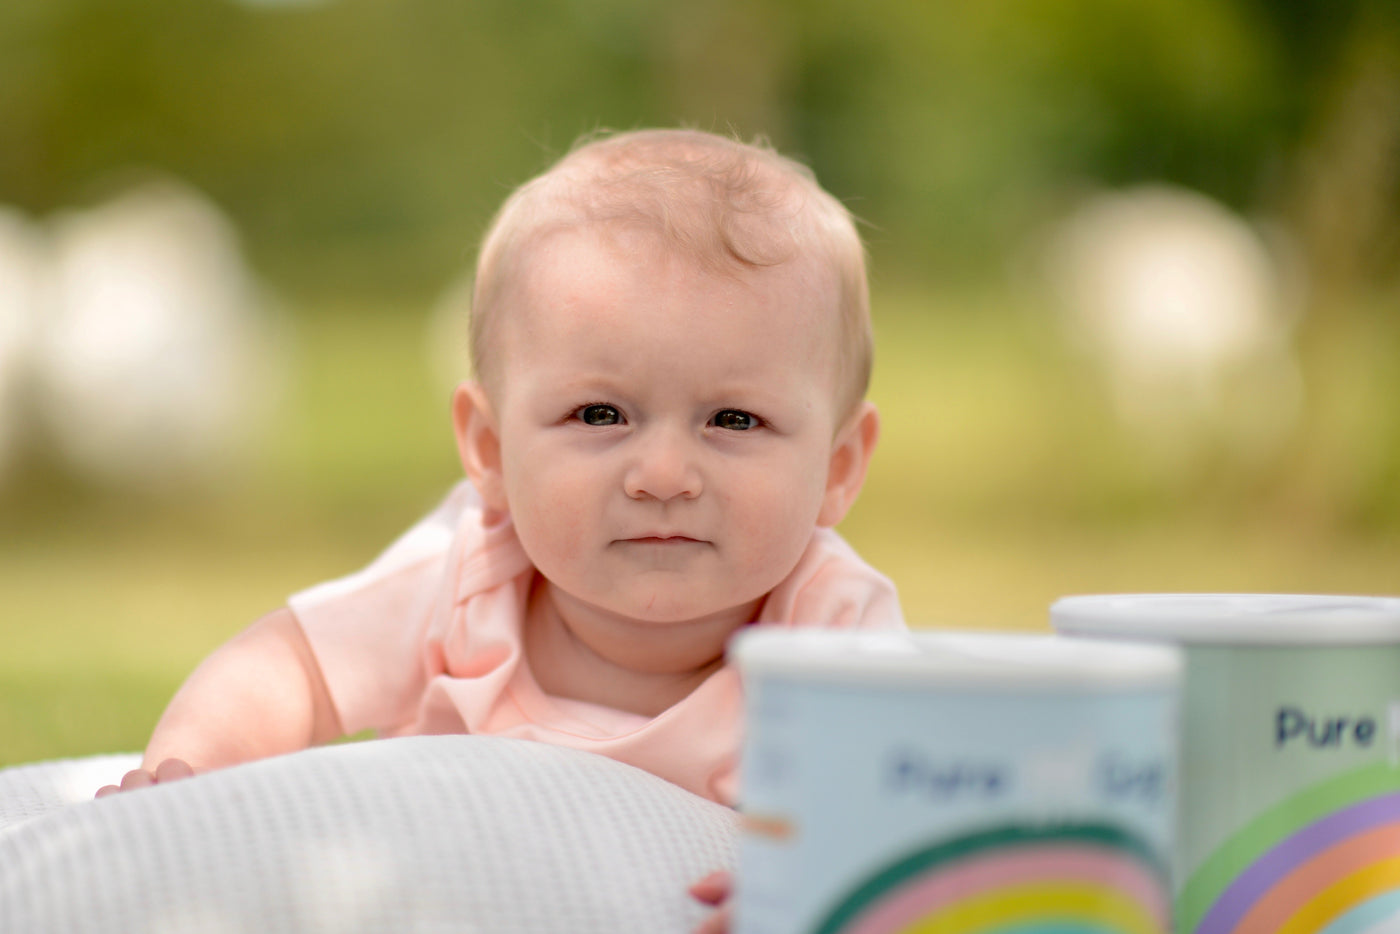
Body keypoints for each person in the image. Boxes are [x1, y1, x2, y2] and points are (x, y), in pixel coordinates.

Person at [97, 127, 906, 930]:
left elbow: (903, 790)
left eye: (734, 418)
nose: (663, 474)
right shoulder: (470, 567)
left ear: (838, 467)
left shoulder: (831, 632)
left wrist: (821, 870)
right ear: (489, 448)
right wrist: (193, 773)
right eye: (600, 413)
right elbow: (291, 666)